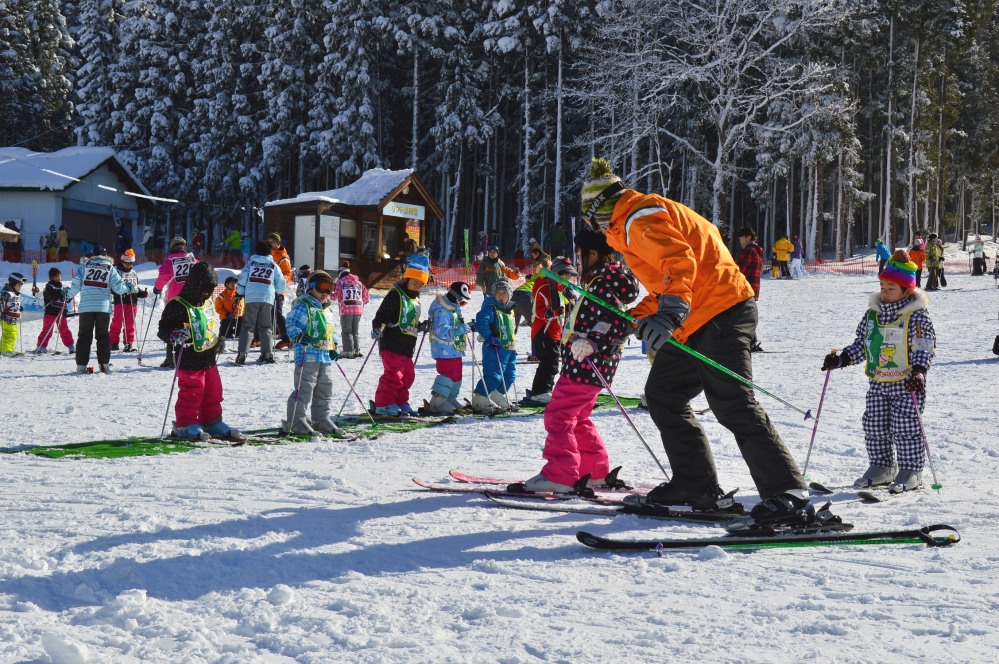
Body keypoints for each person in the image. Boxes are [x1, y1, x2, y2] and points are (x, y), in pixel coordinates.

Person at [577, 157, 810, 530]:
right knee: (664, 395)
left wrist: (668, 313)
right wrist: (632, 318)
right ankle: (695, 485)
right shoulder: (640, 218)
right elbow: (670, 279)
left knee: (732, 402)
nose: (595, 228)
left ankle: (789, 494)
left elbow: (679, 263)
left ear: (599, 211)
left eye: (591, 220)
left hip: (721, 311)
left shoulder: (637, 219)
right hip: (698, 317)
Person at [521, 226, 639, 493]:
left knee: (559, 416)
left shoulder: (601, 283)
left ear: (594, 253)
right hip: (592, 364)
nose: (579, 261)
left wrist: (592, 341)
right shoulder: (607, 280)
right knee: (579, 417)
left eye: (581, 255)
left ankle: (561, 474)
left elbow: (615, 322)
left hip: (586, 364)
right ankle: (594, 470)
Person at [822, 250, 935, 493]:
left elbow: (923, 345)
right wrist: (841, 359)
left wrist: (919, 372)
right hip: (878, 382)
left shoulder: (916, 316)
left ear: (908, 291)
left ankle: (911, 470)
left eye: (891, 288)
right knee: (874, 426)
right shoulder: (873, 315)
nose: (884, 292)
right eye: (882, 286)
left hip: (907, 384)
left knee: (906, 428)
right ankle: (882, 467)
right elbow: (863, 344)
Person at [157, 263, 243, 441]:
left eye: (210, 289)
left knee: (213, 391)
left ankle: (211, 421)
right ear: (195, 285)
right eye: (204, 289)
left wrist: (217, 340)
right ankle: (185, 424)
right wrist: (174, 335)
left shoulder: (207, 302)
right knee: (192, 392)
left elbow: (210, 323)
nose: (206, 293)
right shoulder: (178, 304)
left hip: (208, 356)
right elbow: (163, 328)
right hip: (189, 357)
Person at [284, 270, 345, 436]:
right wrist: (298, 335)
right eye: (321, 289)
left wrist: (334, 347)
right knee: (304, 389)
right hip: (307, 355)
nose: (325, 293)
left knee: (325, 388)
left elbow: (330, 332)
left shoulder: (327, 310)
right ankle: (296, 420)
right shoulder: (304, 305)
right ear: (311, 288)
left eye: (329, 289)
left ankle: (320, 418)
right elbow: (291, 323)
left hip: (324, 356)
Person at [370, 258, 429, 416]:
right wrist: (378, 326)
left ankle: (400, 401)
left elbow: (409, 320)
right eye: (414, 283)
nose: (417, 287)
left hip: (407, 346)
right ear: (406, 279)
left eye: (420, 285)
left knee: (408, 376)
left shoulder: (415, 300)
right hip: (391, 343)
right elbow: (382, 314)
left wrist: (420, 326)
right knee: (394, 375)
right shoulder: (396, 295)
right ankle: (384, 403)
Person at [66, 246, 135, 373]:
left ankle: (81, 366)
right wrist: (129, 288)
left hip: (86, 307)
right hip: (103, 307)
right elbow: (118, 288)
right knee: (103, 336)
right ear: (106, 256)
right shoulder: (110, 268)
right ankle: (104, 364)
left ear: (92, 255)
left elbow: (75, 285)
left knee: (84, 336)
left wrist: (68, 295)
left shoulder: (84, 267)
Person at [523, 256, 577, 405]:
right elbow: (540, 309)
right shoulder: (545, 285)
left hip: (554, 331)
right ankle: (539, 392)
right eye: (565, 277)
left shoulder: (557, 288)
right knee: (549, 362)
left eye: (569, 277)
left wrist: (571, 300)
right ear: (557, 274)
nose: (567, 280)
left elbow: (564, 304)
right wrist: (550, 313)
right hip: (543, 331)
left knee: (552, 361)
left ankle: (544, 390)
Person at [235, 241, 286, 365]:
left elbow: (243, 278)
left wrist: (239, 293)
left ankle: (242, 354)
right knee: (266, 326)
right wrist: (278, 292)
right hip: (267, 297)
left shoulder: (251, 263)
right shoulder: (273, 265)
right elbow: (281, 282)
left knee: (248, 326)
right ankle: (267, 353)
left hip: (252, 296)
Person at [472, 277, 518, 412]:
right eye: (498, 293)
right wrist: (488, 336)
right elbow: (481, 320)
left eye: (504, 293)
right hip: (494, 346)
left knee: (509, 375)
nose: (501, 296)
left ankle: (497, 395)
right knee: (494, 374)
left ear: (509, 295)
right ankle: (480, 396)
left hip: (509, 347)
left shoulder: (509, 310)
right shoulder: (490, 307)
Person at [427, 281, 472, 414]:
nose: (461, 303)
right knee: (448, 374)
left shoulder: (453, 308)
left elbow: (456, 324)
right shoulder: (442, 309)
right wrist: (457, 331)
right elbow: (440, 329)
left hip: (455, 349)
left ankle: (450, 398)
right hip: (444, 349)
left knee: (457, 374)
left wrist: (466, 326)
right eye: (461, 300)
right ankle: (438, 401)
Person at [154, 237, 199, 368]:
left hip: (176, 300)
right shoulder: (193, 259)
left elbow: (163, 276)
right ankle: (190, 356)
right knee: (190, 326)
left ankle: (170, 359)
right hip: (192, 299)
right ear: (184, 247)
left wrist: (157, 288)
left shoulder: (170, 261)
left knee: (172, 327)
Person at [110, 249, 148, 352]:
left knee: (130, 324)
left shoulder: (134, 273)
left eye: (131, 263)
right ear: (122, 261)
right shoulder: (116, 272)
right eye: (126, 263)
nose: (128, 265)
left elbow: (135, 288)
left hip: (132, 302)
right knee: (117, 322)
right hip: (120, 301)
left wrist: (141, 293)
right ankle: (113, 343)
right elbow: (111, 287)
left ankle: (128, 343)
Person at [736, 227, 765, 353]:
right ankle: (751, 341)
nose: (740, 241)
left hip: (745, 288)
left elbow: (739, 269)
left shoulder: (748, 251)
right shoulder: (756, 251)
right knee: (746, 315)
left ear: (748, 237)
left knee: (742, 316)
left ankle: (751, 342)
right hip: (753, 288)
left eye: (741, 238)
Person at [34, 267, 75, 354]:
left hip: (61, 313)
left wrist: (69, 295)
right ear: (51, 277)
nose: (59, 278)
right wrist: (61, 293)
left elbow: (67, 299)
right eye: (57, 277)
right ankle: (41, 346)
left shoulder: (62, 287)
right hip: (51, 313)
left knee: (64, 330)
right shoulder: (49, 287)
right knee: (47, 330)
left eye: (60, 276)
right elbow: (52, 296)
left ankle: (71, 346)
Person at [334, 262, 369, 358]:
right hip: (358, 309)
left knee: (346, 331)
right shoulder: (359, 283)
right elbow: (366, 296)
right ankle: (356, 350)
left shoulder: (340, 282)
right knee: (355, 331)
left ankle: (348, 351)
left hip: (346, 309)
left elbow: (335, 295)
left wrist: (327, 295)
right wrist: (362, 303)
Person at [266, 232, 294, 349]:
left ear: (278, 243)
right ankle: (264, 337)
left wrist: (279, 283)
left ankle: (286, 338)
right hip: (266, 288)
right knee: (267, 313)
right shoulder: (267, 253)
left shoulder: (283, 256)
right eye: (269, 241)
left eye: (273, 242)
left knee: (277, 314)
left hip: (277, 289)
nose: (271, 243)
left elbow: (288, 274)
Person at [0, 272, 27, 357]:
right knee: (9, 334)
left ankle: (8, 349)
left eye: (21, 285)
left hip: (12, 318)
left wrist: (19, 308)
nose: (20, 287)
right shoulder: (7, 293)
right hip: (6, 318)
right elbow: (1, 301)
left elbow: (13, 303)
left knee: (13, 334)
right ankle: (6, 350)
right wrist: (1, 310)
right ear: (12, 283)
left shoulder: (14, 293)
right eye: (18, 285)